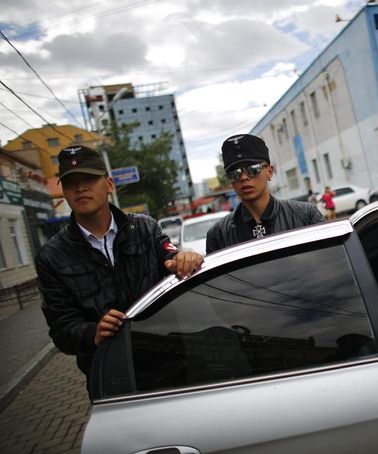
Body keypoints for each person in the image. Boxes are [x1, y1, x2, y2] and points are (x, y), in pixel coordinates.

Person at [36, 145, 204, 383]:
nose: (81, 187)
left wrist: (185, 258)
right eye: (71, 182)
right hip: (111, 378)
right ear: (63, 191)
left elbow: (172, 258)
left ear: (109, 185)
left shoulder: (145, 229)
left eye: (89, 179)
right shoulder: (51, 256)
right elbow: (61, 329)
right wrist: (92, 333)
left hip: (171, 365)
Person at [205, 134, 325, 253]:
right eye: (235, 173)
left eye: (253, 169)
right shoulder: (218, 235)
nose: (244, 177)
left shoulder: (305, 216)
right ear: (229, 181)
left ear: (270, 171)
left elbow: (330, 260)